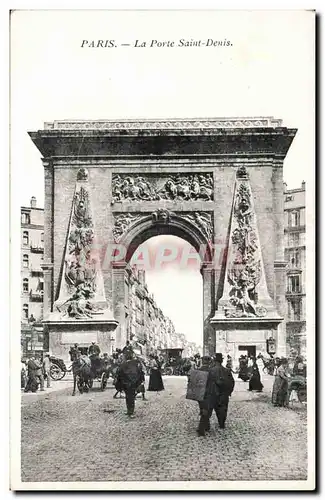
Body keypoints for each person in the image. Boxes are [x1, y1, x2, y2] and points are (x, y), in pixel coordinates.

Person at [197, 353, 235, 436]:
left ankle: (204, 427)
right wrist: (229, 392)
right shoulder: (227, 370)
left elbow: (204, 383)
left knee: (207, 411)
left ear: (214, 361)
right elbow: (232, 383)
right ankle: (221, 424)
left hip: (212, 394)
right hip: (223, 394)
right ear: (221, 361)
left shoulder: (210, 371)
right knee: (222, 410)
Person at [115, 350, 145, 418]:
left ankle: (130, 411)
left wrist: (119, 384)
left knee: (129, 397)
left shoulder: (123, 364)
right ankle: (130, 411)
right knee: (131, 397)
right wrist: (140, 381)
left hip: (126, 383)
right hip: (134, 383)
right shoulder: (135, 363)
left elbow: (119, 373)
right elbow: (140, 372)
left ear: (125, 357)